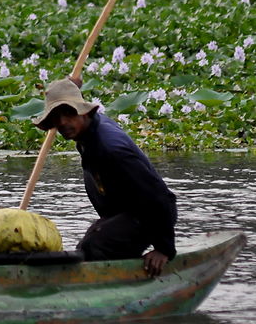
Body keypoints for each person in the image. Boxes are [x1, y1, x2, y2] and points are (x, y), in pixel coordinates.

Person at [34, 78, 177, 277]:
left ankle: (116, 283)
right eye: (56, 118)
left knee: (95, 245)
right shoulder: (87, 131)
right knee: (88, 243)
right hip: (126, 210)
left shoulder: (111, 149)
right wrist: (72, 86)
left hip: (150, 215)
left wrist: (164, 248)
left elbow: (158, 197)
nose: (62, 123)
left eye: (68, 113)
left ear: (83, 111)